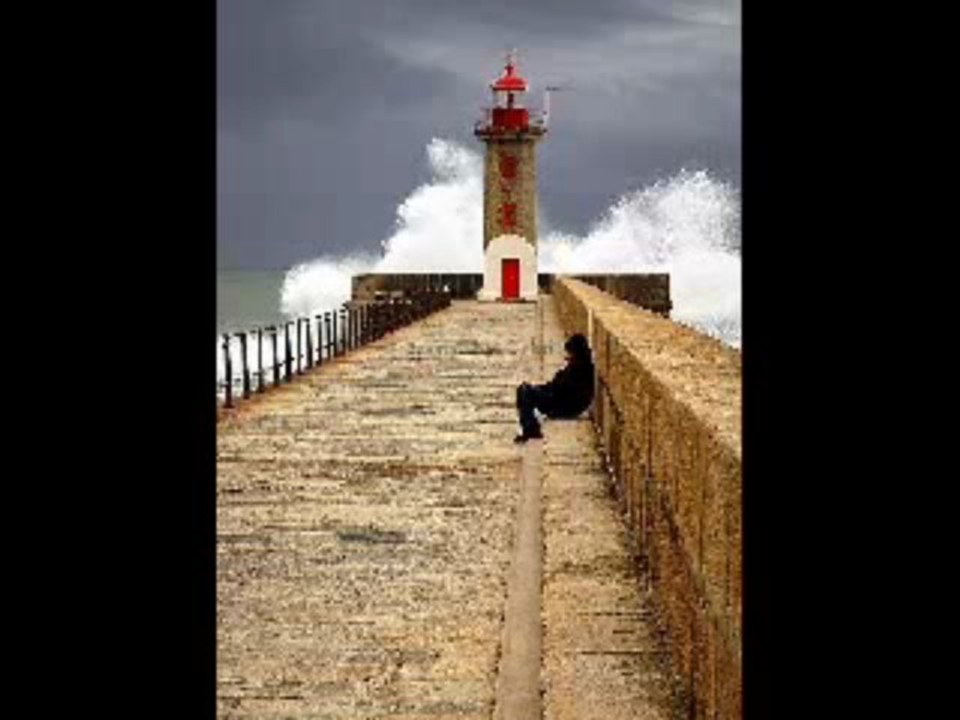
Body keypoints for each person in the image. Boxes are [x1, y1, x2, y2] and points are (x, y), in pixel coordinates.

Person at [515, 333, 594, 442]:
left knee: (525, 391)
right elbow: (556, 385)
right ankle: (530, 427)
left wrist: (541, 391)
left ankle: (531, 429)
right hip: (561, 400)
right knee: (525, 389)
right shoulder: (577, 365)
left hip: (565, 406)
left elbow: (563, 389)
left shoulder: (579, 368)